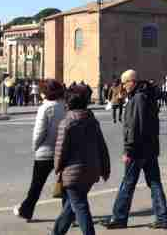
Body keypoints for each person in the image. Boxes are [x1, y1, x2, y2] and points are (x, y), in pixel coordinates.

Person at [104, 70, 167, 230]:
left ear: (132, 82)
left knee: (127, 183)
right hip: (150, 148)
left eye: (125, 83)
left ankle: (119, 218)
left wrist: (128, 150)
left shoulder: (138, 98)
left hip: (138, 150)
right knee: (154, 183)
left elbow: (134, 127)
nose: (123, 86)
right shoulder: (147, 95)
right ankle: (162, 218)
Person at [51, 86, 110, 235]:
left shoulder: (67, 123)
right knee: (72, 206)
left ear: (69, 103)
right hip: (91, 171)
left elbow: (60, 150)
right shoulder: (92, 121)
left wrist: (58, 168)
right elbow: (101, 146)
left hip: (73, 173)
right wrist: (105, 168)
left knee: (80, 206)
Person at [14, 80, 68, 222]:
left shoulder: (45, 108)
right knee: (65, 186)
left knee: (36, 186)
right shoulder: (65, 107)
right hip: (62, 151)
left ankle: (26, 210)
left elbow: (39, 132)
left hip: (45, 152)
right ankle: (69, 215)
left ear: (47, 92)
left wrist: (36, 147)